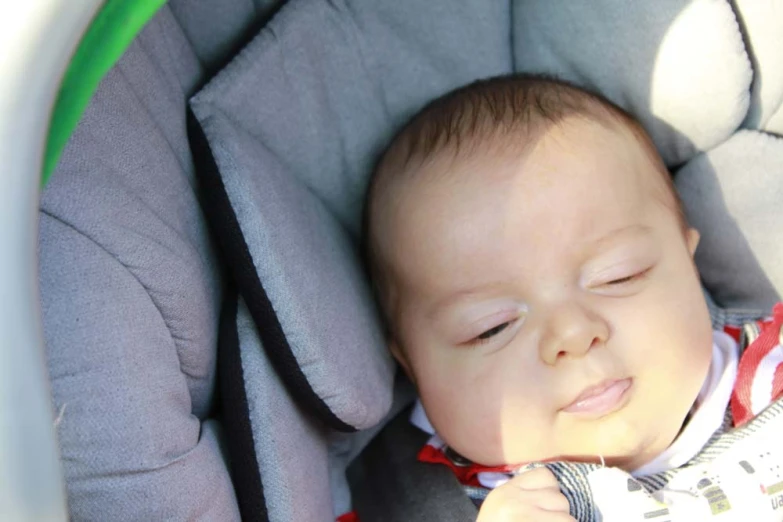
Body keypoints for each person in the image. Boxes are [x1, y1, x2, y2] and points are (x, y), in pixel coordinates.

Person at [362, 74, 783, 521]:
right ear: (413, 368)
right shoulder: (405, 500)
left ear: (687, 261)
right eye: (491, 327)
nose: (574, 334)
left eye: (618, 276)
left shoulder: (768, 374)